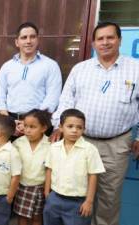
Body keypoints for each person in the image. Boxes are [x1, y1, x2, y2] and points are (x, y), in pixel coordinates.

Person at [50, 22, 139, 225]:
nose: (105, 42)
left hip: (116, 144)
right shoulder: (80, 69)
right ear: (93, 43)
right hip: (79, 142)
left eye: (110, 37)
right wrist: (58, 126)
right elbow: (66, 101)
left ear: (119, 40)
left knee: (108, 198)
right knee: (76, 194)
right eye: (100, 38)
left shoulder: (135, 69)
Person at [0, 22, 62, 134]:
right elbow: (0, 97)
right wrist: (10, 123)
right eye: (24, 37)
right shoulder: (7, 67)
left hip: (39, 124)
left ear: (38, 40)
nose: (28, 41)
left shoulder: (50, 65)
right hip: (11, 122)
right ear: (17, 42)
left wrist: (30, 123)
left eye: (32, 37)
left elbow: (52, 99)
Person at [45, 109, 105, 225]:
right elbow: (49, 169)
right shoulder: (54, 148)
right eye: (70, 126)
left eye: (79, 127)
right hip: (54, 199)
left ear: (84, 129)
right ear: (61, 127)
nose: (74, 130)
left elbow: (93, 175)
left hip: (78, 202)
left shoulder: (90, 149)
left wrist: (89, 201)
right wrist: (47, 194)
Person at [13, 109, 51, 225]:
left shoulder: (50, 145)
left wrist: (47, 190)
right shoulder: (18, 143)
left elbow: (50, 169)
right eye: (25, 126)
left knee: (37, 217)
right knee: (22, 217)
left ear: (43, 128)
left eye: (32, 127)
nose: (28, 130)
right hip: (22, 186)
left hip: (40, 188)